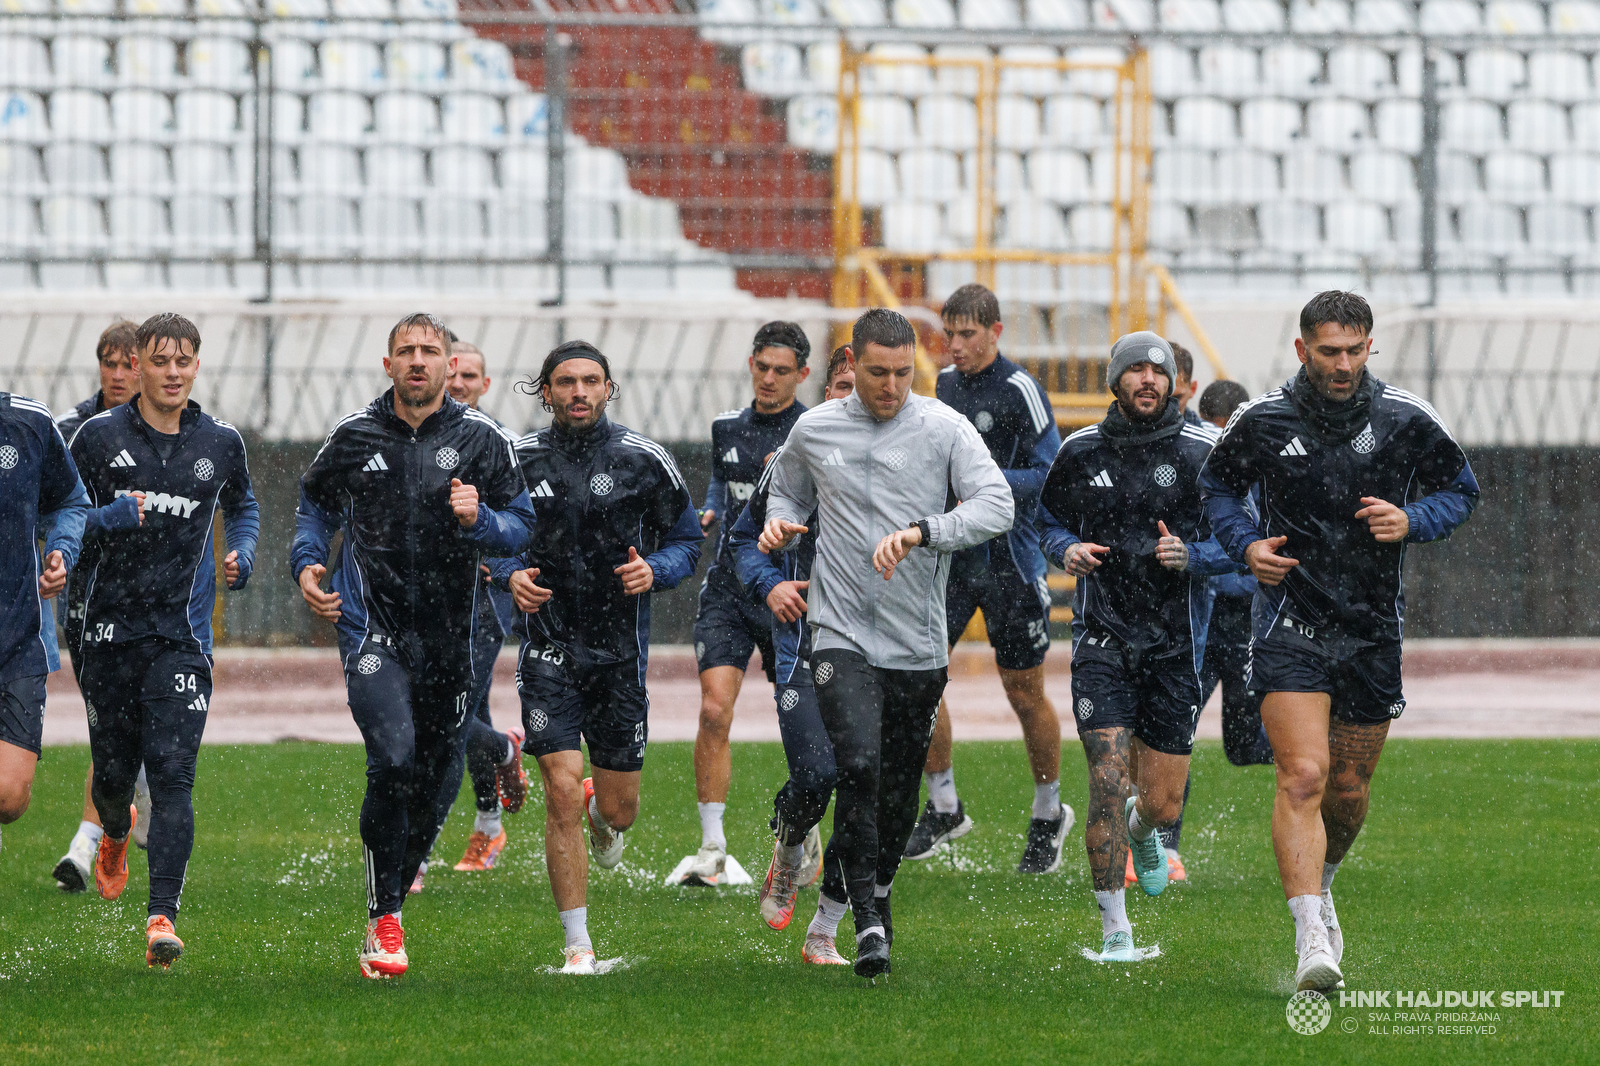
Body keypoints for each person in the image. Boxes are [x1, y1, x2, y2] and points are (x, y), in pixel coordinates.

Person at [1199, 291, 1479, 992]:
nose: (1344, 364)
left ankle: (1323, 884)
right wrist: (1245, 545)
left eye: (1356, 351)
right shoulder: (1261, 420)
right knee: (1303, 775)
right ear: (1302, 350)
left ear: (1369, 348)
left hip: (1372, 628)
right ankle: (1309, 938)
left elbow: (1463, 490)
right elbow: (1217, 494)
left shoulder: (1406, 418)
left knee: (1349, 790)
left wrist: (1414, 519)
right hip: (1288, 620)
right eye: (1330, 352)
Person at [760, 308, 1013, 977]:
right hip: (839, 629)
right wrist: (782, 524)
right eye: (877, 372)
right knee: (859, 766)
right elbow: (783, 493)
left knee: (899, 792)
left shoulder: (943, 427)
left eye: (903, 372)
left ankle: (852, 907)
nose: (891, 385)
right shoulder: (814, 430)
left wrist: (923, 532)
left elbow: (996, 504)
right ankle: (870, 920)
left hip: (918, 642)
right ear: (854, 362)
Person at [292, 312, 534, 980]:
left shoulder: (483, 440)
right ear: (388, 363)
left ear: (448, 363)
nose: (419, 361)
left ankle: (388, 904)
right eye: (408, 351)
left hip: (451, 637)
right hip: (374, 629)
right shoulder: (353, 435)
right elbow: (314, 504)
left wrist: (480, 518)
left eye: (431, 350)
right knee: (393, 758)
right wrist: (308, 562)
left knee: (433, 781)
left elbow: (522, 526)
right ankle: (384, 917)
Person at [489, 341, 701, 975]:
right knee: (558, 790)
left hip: (618, 660)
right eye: (564, 382)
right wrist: (507, 575)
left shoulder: (643, 460)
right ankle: (578, 948)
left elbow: (688, 539)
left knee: (618, 811)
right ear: (544, 391)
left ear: (609, 388)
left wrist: (655, 570)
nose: (577, 392)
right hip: (548, 652)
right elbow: (485, 536)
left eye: (589, 381)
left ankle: (601, 814)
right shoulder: (516, 461)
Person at [1038, 331, 1240, 964]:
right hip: (1101, 641)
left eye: (1159, 371)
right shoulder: (1079, 452)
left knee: (1160, 803)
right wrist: (1063, 549)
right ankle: (1114, 932)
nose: (1148, 380)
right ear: (1115, 382)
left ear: (1175, 383)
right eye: (1136, 371)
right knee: (1103, 778)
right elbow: (1043, 520)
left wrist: (1194, 555)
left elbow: (1244, 537)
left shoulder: (1205, 451)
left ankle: (1143, 829)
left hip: (1177, 648)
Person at [69, 313, 260, 969]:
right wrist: (107, 519)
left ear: (196, 366)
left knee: (175, 780)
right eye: (159, 361)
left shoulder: (221, 442)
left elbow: (245, 505)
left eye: (184, 361)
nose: (172, 372)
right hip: (107, 634)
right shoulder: (97, 439)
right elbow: (61, 519)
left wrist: (243, 550)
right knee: (116, 777)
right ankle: (115, 831)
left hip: (181, 638)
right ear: (139, 366)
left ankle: (162, 918)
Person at [904, 284, 1072, 874]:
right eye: (948, 334)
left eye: (967, 334)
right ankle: (945, 804)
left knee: (1025, 693)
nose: (954, 346)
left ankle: (1049, 811)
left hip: (1011, 564)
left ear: (995, 332)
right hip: (954, 562)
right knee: (919, 680)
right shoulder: (945, 386)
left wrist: (984, 486)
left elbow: (1051, 472)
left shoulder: (1019, 388)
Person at [731, 347, 855, 962]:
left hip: (884, 652)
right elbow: (741, 544)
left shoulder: (913, 461)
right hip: (804, 647)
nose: (849, 398)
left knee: (871, 791)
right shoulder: (791, 459)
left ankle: (828, 930)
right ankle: (790, 841)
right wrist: (771, 583)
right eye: (840, 387)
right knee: (818, 773)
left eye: (863, 387)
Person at [681, 321, 811, 884]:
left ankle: (803, 830)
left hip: (791, 593)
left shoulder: (812, 433)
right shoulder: (726, 427)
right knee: (713, 709)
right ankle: (713, 847)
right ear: (751, 365)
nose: (770, 379)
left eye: (782, 371)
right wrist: (709, 510)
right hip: (731, 589)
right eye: (762, 367)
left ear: (802, 375)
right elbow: (721, 483)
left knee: (802, 722)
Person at [420, 339, 528, 882]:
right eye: (453, 372)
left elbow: (529, 518)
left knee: (447, 718)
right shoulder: (419, 435)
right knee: (463, 712)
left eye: (470, 375)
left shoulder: (499, 444)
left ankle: (417, 847)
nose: (459, 381)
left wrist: (504, 563)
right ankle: (504, 761)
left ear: (485, 385)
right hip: (427, 602)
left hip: (484, 598)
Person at [50, 320, 152, 892]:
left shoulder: (182, 431)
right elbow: (53, 516)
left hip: (160, 607)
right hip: (91, 601)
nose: (118, 375)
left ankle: (85, 848)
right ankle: (124, 805)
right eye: (108, 363)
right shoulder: (71, 431)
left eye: (128, 364)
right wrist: (107, 518)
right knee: (110, 729)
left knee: (128, 724)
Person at [0, 390, 88, 852]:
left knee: (10, 799)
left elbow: (71, 501)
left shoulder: (30, 423)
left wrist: (61, 550)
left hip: (18, 636)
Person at [1196, 379, 1274, 768]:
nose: (1216, 440)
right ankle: (1163, 830)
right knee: (1172, 732)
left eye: (1222, 430)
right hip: (1203, 614)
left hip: (1246, 615)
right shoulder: (1196, 463)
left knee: (1242, 746)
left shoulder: (1263, 466)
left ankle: (1313, 750)